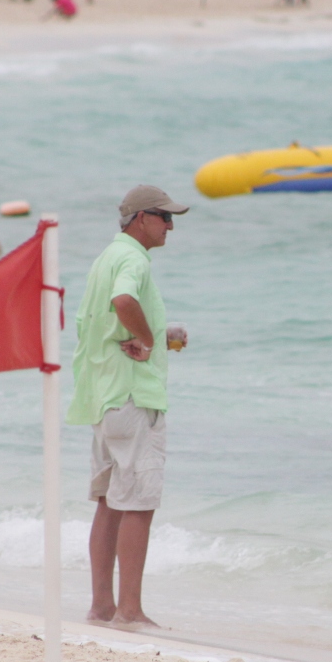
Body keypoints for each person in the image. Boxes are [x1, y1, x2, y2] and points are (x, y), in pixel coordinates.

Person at [67, 184, 191, 627]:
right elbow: (123, 301)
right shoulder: (134, 259)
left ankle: (102, 606)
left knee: (108, 502)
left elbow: (99, 318)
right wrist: (146, 338)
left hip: (103, 396)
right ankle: (130, 610)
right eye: (165, 217)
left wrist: (155, 332)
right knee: (138, 503)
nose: (171, 226)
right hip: (134, 397)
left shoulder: (106, 257)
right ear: (141, 219)